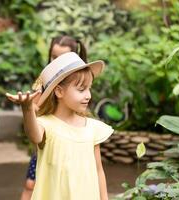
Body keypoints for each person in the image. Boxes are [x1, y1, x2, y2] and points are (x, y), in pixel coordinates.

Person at [6, 52, 114, 200]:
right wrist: (27, 108)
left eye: (89, 88)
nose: (88, 95)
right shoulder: (46, 124)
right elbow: (34, 135)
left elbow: (98, 170)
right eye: (81, 89)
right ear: (59, 91)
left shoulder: (92, 128)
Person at [20, 35, 88, 200]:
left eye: (62, 57)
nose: (56, 61)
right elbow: (35, 105)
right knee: (31, 183)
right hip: (46, 135)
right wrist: (30, 107)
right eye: (54, 56)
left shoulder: (79, 80)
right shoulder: (44, 78)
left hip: (69, 141)